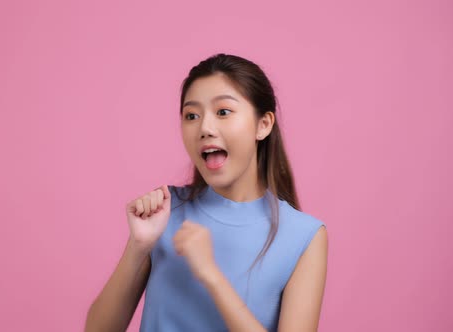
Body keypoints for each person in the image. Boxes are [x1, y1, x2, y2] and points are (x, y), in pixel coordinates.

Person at [85, 53, 328, 332]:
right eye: (192, 115)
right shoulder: (165, 212)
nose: (205, 128)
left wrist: (211, 275)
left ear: (264, 125)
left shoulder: (304, 237)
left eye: (223, 112)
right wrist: (137, 248)